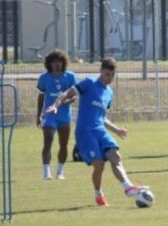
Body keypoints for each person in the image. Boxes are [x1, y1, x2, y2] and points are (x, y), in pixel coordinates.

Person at [45, 57, 146, 207]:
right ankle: (98, 194)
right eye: (106, 74)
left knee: (115, 155)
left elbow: (102, 117)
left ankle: (128, 187)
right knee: (99, 165)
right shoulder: (89, 83)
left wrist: (117, 130)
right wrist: (55, 106)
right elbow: (66, 93)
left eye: (112, 75)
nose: (109, 78)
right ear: (100, 71)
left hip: (100, 131)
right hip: (85, 132)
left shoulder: (109, 93)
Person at [36, 49, 78, 180]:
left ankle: (60, 172)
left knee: (63, 144)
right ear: (49, 64)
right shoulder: (44, 78)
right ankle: (46, 172)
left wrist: (66, 100)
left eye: (59, 61)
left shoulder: (70, 77)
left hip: (64, 116)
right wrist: (38, 115)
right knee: (48, 139)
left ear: (63, 62)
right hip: (49, 115)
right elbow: (41, 96)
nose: (57, 64)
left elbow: (74, 97)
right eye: (54, 62)